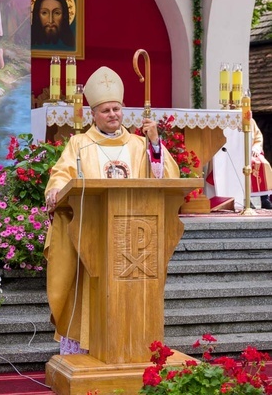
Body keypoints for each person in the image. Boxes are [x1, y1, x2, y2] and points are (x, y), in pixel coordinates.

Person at [44, 66, 180, 355]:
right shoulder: (79, 144)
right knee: (90, 291)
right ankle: (89, 348)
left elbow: (165, 178)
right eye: (105, 110)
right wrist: (55, 189)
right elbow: (61, 174)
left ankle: (133, 346)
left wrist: (155, 143)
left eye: (116, 109)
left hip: (134, 239)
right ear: (94, 114)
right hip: (92, 234)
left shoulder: (140, 144)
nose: (112, 115)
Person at [251, 118, 272, 209]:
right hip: (237, 154)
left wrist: (255, 148)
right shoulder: (230, 119)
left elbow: (258, 137)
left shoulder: (250, 121)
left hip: (251, 152)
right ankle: (246, 200)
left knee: (264, 163)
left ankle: (264, 198)